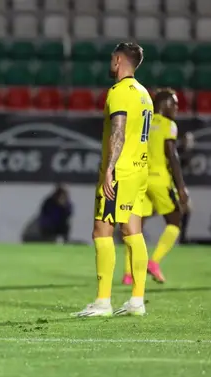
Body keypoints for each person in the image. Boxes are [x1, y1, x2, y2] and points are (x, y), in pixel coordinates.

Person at [73, 42, 152, 317]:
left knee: (101, 231)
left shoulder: (118, 92)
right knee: (133, 231)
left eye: (111, 59)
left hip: (120, 171)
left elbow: (118, 129)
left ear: (118, 60)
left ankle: (103, 301)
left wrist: (109, 169)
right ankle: (136, 301)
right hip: (139, 169)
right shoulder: (144, 94)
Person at [122, 88, 188, 285]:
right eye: (174, 103)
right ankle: (154, 262)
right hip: (160, 179)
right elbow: (171, 156)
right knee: (175, 222)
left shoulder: (143, 122)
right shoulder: (169, 125)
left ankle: (128, 274)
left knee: (136, 227)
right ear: (165, 104)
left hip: (141, 178)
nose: (176, 108)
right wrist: (181, 186)